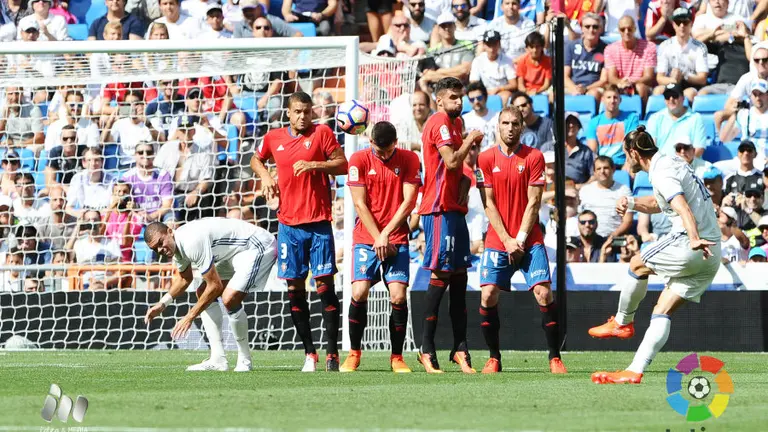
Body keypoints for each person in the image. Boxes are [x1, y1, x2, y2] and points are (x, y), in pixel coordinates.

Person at [590, 126, 721, 384]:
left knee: (637, 264)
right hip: (711, 252)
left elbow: (681, 206)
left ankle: (622, 321)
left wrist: (693, 238)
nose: (625, 160)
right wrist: (631, 203)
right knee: (662, 310)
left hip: (690, 243)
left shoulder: (661, 172)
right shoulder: (671, 161)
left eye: (626, 155)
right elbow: (661, 202)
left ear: (634, 153)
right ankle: (634, 371)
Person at [250, 91, 348, 372]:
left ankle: (332, 354)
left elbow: (343, 165)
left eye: (307, 111)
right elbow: (256, 159)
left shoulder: (322, 134)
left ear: (313, 111)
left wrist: (315, 164)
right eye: (297, 111)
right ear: (288, 113)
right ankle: (309, 354)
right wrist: (266, 175)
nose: (302, 116)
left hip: (318, 223)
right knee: (294, 289)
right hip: (289, 226)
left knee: (324, 287)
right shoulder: (273, 138)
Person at [475, 106, 567, 374]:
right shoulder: (485, 159)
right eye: (505, 123)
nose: (510, 127)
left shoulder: (534, 157)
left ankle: (554, 357)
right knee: (489, 294)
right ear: (497, 126)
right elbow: (487, 204)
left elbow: (534, 202)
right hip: (498, 239)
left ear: (523, 127)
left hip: (528, 239)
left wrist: (520, 239)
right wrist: (506, 240)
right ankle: (494, 357)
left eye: (515, 123)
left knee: (544, 293)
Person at [143, 218, 277, 372]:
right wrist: (162, 304)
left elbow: (215, 285)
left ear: (170, 232)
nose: (160, 250)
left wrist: (189, 317)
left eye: (161, 243)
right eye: (155, 249)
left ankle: (245, 360)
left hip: (258, 245)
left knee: (229, 298)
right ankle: (218, 359)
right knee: (202, 291)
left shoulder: (191, 241)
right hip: (232, 253)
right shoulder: (176, 248)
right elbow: (184, 279)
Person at [340, 121, 421, 373]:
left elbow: (408, 202)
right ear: (370, 142)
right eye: (378, 150)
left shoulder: (409, 159)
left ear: (396, 143)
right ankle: (354, 353)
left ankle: (396, 357)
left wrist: (386, 234)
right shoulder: (358, 159)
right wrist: (378, 236)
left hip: (395, 237)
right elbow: (359, 204)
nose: (383, 155)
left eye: (387, 151)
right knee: (359, 292)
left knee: (397, 295)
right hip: (367, 237)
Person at [416, 77, 483, 374]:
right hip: (438, 209)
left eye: (461, 97)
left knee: (459, 278)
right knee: (442, 274)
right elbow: (451, 162)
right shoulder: (440, 122)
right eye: (454, 97)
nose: (460, 102)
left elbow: (458, 171)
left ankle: (460, 349)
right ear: (440, 100)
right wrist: (470, 140)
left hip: (454, 210)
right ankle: (426, 349)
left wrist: (467, 182)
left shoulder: (455, 124)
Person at [653, 7, 709, 104]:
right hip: (671, 82)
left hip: (690, 84)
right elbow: (659, 78)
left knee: (690, 93)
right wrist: (674, 80)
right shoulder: (665, 46)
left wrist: (684, 76)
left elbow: (702, 79)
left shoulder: (700, 47)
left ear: (691, 24)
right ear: (674, 25)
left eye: (685, 22)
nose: (682, 26)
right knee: (658, 91)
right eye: (678, 22)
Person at [646, 82, 709, 157]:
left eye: (675, 96)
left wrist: (681, 165)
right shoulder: (655, 118)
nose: (671, 99)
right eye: (667, 96)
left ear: (683, 98)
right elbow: (650, 148)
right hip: (662, 165)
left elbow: (699, 149)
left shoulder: (696, 118)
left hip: (688, 165)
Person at [604, 16, 657, 104]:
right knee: (610, 91)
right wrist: (621, 83)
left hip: (640, 85)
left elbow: (649, 76)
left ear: (635, 29)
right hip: (620, 85)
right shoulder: (610, 49)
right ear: (618, 30)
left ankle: (642, 115)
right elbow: (611, 77)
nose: (626, 32)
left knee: (640, 87)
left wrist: (631, 83)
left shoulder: (649, 47)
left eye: (629, 29)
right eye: (623, 29)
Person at [579, 156, 634, 238]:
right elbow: (578, 217)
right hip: (589, 239)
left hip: (612, 238)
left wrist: (613, 235)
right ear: (594, 172)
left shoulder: (625, 190)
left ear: (613, 169)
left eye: (606, 168)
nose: (602, 171)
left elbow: (628, 221)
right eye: (598, 169)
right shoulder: (584, 191)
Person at [585, 85, 639, 167]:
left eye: (615, 97)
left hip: (623, 163)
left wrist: (627, 164)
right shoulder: (594, 122)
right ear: (602, 100)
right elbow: (593, 151)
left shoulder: (631, 118)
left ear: (620, 100)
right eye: (609, 97)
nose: (612, 101)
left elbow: (631, 146)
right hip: (603, 165)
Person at [564, 12, 608, 99]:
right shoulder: (571, 47)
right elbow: (565, 76)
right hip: (573, 86)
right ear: (582, 28)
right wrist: (575, 89)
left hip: (593, 88)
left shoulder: (606, 49)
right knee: (553, 95)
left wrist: (585, 89)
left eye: (595, 27)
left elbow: (604, 80)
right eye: (587, 26)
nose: (591, 30)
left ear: (601, 29)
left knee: (594, 94)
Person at [468, 30, 516, 105]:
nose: (492, 48)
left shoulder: (507, 60)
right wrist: (484, 91)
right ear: (484, 45)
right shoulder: (478, 61)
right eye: (489, 45)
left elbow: (513, 84)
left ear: (499, 44)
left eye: (494, 44)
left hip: (501, 91)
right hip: (483, 92)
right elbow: (474, 82)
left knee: (506, 96)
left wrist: (499, 89)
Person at [462, 81, 498, 150]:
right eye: (472, 99)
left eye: (479, 98)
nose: (476, 102)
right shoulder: (464, 120)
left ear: (486, 97)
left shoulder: (497, 117)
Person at [516, 31, 552, 96]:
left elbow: (546, 84)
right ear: (527, 48)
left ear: (542, 47)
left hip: (543, 91)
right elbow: (520, 85)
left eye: (537, 47)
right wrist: (527, 92)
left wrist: (537, 92)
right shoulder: (522, 61)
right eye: (532, 47)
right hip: (526, 91)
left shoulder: (547, 61)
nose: (535, 50)